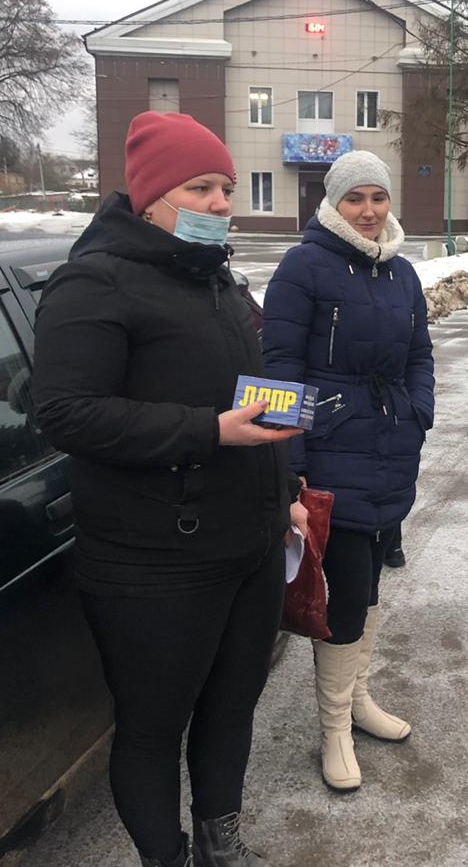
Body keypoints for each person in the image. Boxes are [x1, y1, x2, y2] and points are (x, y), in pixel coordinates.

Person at [33, 111, 306, 867]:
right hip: (152, 560)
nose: (224, 202)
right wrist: (207, 431)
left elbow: (249, 399)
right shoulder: (93, 283)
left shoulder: (216, 280)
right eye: (202, 187)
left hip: (247, 543)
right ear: (151, 198)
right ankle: (168, 858)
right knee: (154, 726)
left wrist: (286, 488)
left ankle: (222, 841)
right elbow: (66, 413)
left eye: (226, 187)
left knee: (231, 708)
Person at [262, 150, 434, 792]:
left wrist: (420, 414)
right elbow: (278, 368)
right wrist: (292, 468)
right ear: (332, 203)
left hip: (391, 447)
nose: (368, 211)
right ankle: (334, 728)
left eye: (378, 198)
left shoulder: (403, 273)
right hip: (329, 452)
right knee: (344, 596)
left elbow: (421, 352)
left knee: (368, 590)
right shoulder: (303, 266)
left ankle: (359, 702)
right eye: (354, 198)